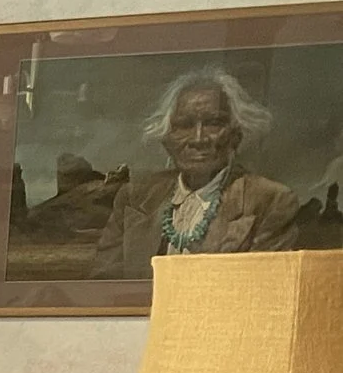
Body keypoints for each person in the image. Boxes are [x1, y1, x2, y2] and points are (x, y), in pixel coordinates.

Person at [91, 69, 299, 278]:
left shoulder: (270, 201)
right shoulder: (134, 198)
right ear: (166, 137)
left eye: (213, 123)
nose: (198, 139)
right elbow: (103, 288)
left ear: (236, 134)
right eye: (184, 125)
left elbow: (262, 291)